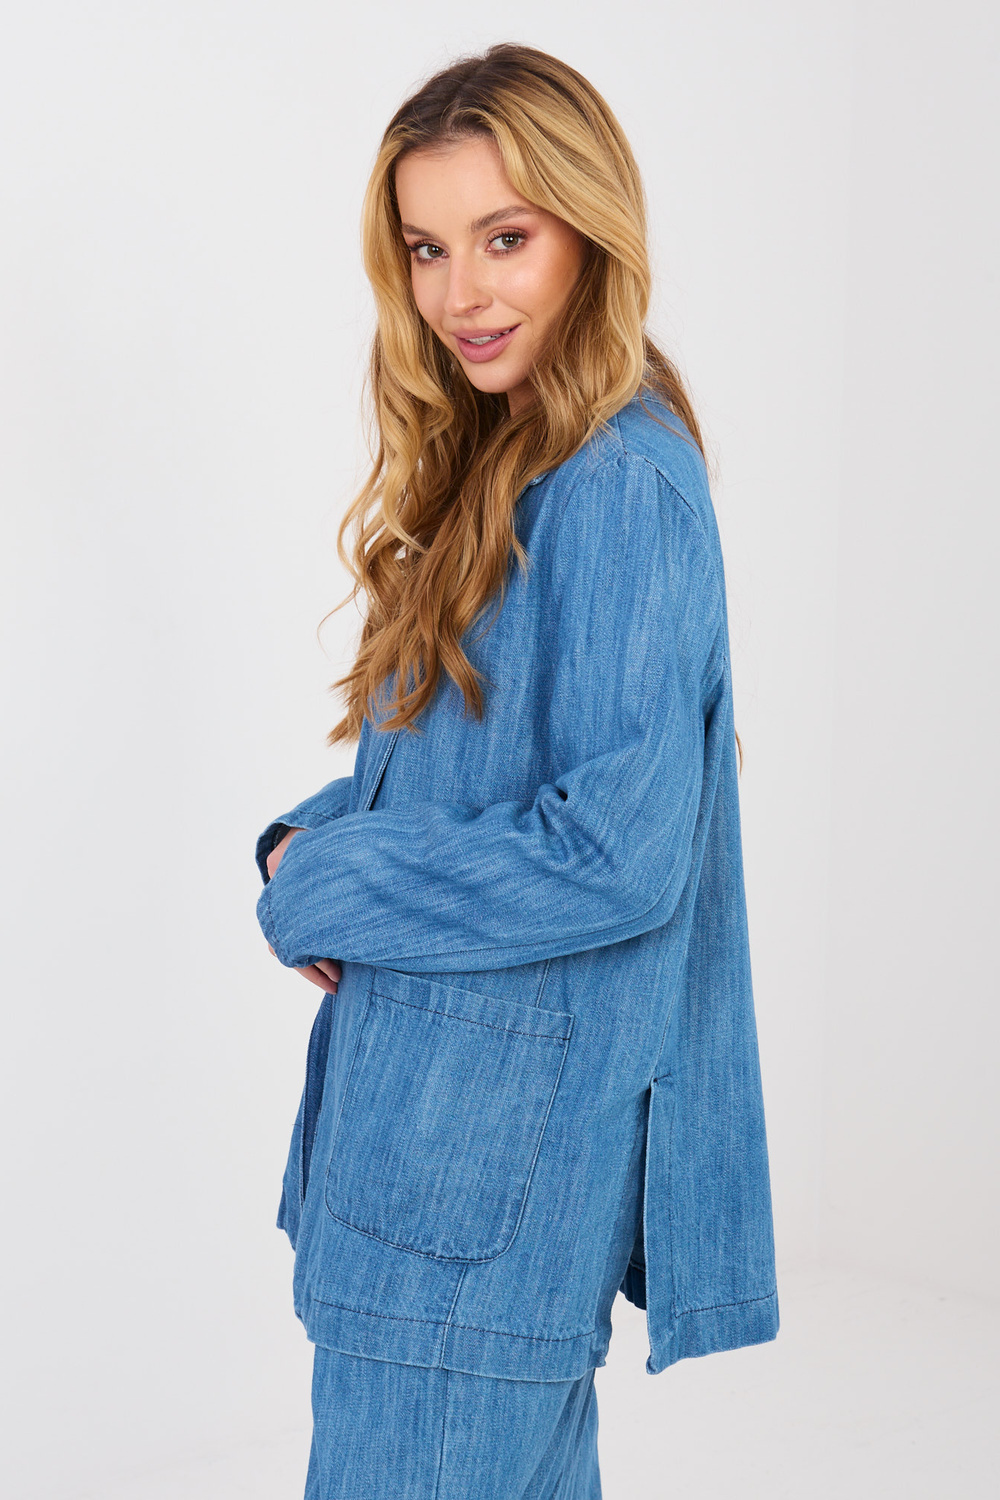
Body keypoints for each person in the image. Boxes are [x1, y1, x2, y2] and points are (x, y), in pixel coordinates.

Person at [254, 41, 778, 1500]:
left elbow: (618, 852)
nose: (461, 295)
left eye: (505, 238)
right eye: (428, 249)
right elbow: (474, 780)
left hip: (472, 1196)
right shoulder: (515, 461)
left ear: (589, 234)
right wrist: (301, 842)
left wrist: (332, 885)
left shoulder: (616, 482)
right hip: (437, 1178)